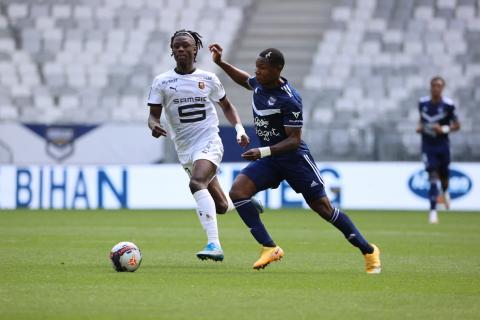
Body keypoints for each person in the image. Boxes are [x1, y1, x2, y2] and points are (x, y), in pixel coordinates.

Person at [209, 43, 381, 273]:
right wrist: (221, 63)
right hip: (271, 160)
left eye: (262, 68)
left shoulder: (289, 99)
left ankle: (368, 251)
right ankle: (269, 247)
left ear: (277, 69)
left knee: (324, 209)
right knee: (238, 192)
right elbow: (245, 80)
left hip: (295, 160)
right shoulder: (259, 84)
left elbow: (294, 140)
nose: (257, 72)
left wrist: (263, 151)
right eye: (256, 67)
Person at [146, 29, 254, 262]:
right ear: (172, 50)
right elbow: (153, 115)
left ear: (196, 50)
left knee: (196, 183)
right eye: (177, 46)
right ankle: (246, 202)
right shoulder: (162, 82)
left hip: (209, 141)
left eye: (186, 46)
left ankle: (214, 244)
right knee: (222, 206)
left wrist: (239, 129)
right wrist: (153, 125)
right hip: (184, 149)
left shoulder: (208, 79)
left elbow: (226, 106)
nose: (181, 49)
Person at [416, 76, 460, 224]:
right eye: (434, 85)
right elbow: (422, 119)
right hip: (428, 146)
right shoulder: (423, 103)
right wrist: (420, 127)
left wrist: (444, 129)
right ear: (430, 86)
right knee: (432, 177)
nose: (436, 88)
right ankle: (433, 211)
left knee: (444, 177)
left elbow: (457, 125)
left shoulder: (448, 105)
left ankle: (445, 191)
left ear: (443, 88)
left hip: (443, 145)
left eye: (439, 86)